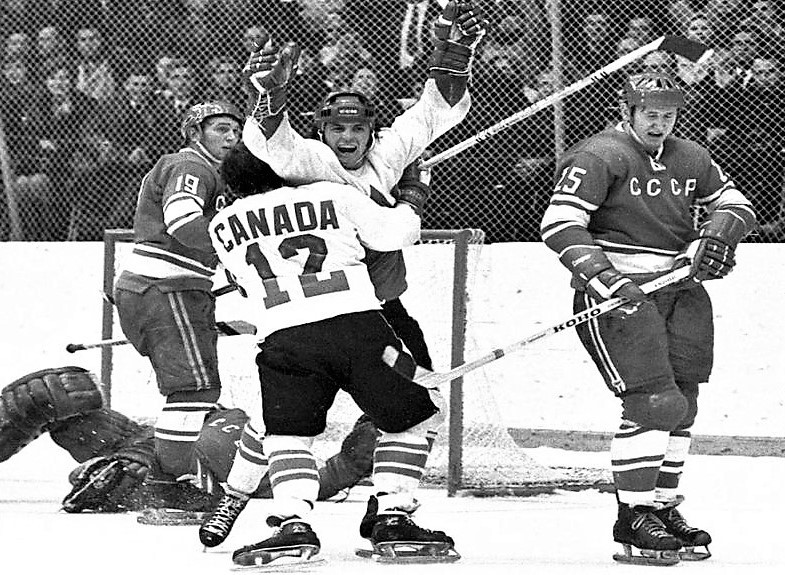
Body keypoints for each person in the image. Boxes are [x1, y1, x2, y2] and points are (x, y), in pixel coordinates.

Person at [231, 0, 485, 548]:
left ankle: (385, 509)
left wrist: (453, 56)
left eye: (358, 127)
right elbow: (271, 143)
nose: (348, 137)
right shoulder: (310, 164)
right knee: (302, 418)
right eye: (337, 127)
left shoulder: (386, 154)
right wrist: (270, 98)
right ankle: (246, 489)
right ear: (322, 129)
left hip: (378, 311)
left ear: (372, 128)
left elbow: (432, 114)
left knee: (416, 406)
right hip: (332, 311)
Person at [539, 72, 756, 565]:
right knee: (654, 403)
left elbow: (735, 203)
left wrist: (714, 236)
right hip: (620, 295)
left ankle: (662, 506)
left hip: (680, 290)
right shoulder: (600, 155)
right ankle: (633, 515)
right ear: (628, 111)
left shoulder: (691, 156)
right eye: (651, 114)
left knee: (684, 401)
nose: (660, 123)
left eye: (668, 115)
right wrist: (605, 278)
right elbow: (559, 222)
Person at [203, 149, 454, 566]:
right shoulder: (331, 193)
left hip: (283, 339)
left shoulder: (221, 225)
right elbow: (398, 235)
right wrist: (412, 193)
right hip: (358, 330)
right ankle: (392, 515)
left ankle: (293, 524)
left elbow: (236, 292)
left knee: (286, 437)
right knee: (418, 417)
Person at [0, 366, 380, 516]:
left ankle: (133, 480)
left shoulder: (281, 463)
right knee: (60, 395)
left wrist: (375, 428)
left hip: (172, 474)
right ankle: (130, 474)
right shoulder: (235, 415)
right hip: (144, 441)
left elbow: (335, 473)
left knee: (139, 470)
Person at [112, 101, 241, 496]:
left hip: (163, 288)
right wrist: (236, 254)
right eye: (220, 128)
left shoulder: (206, 171)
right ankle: (169, 485)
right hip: (167, 287)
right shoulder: (191, 166)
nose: (231, 137)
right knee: (194, 391)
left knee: (194, 389)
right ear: (194, 133)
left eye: (235, 130)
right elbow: (183, 221)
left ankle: (169, 479)